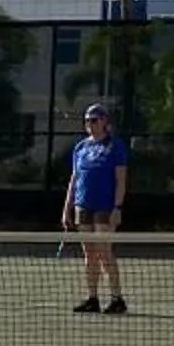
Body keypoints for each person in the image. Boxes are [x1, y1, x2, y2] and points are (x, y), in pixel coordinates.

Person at [65, 101, 129, 314]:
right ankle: (92, 298)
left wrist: (117, 207)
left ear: (104, 122)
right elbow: (74, 179)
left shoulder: (115, 146)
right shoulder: (81, 148)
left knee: (104, 251)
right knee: (89, 253)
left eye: (94, 120)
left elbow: (121, 179)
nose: (90, 124)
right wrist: (68, 208)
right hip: (83, 205)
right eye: (87, 121)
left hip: (105, 205)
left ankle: (117, 298)